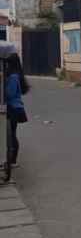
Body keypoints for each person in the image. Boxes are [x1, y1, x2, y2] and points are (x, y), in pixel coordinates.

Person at [4, 53, 29, 181]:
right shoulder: (15, 75)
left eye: (7, 63)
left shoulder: (13, 77)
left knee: (11, 134)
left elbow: (9, 94)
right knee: (11, 134)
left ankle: (13, 160)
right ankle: (12, 159)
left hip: (13, 108)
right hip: (14, 108)